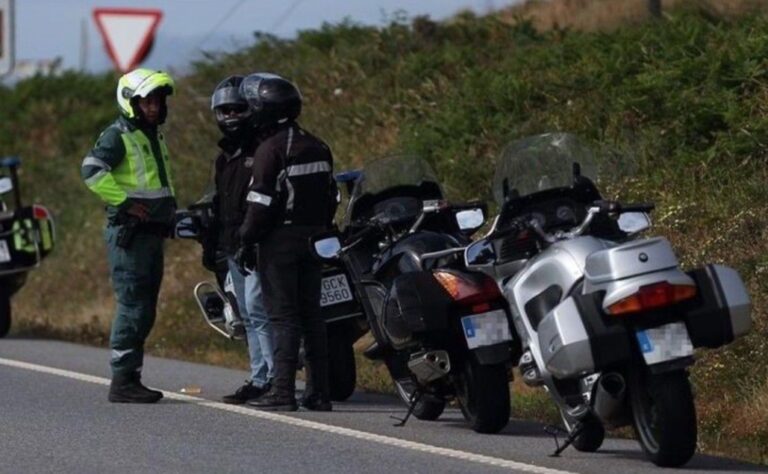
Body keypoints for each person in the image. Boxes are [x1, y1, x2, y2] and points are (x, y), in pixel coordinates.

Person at [236, 73, 338, 411]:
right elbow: (331, 196)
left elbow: (260, 203)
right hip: (317, 238)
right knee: (313, 315)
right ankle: (319, 392)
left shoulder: (271, 150)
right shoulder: (317, 144)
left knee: (283, 317)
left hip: (280, 242)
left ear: (262, 110)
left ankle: (282, 391)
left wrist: (246, 239)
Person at [81, 68, 176, 403]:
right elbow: (91, 171)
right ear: (130, 102)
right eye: (147, 101)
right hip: (130, 236)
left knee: (145, 307)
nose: (154, 107)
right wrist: (125, 204)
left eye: (158, 101)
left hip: (151, 234)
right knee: (134, 305)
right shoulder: (118, 134)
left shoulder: (151, 135)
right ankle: (123, 381)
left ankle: (130, 377)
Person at [207, 75, 275, 404]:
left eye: (238, 109)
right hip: (234, 246)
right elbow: (221, 206)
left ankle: (273, 379)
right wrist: (214, 246)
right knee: (247, 315)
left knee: (261, 312)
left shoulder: (263, 150)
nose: (231, 116)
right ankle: (259, 376)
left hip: (259, 245)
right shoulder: (224, 158)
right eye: (225, 111)